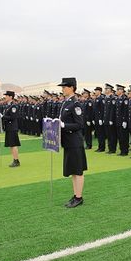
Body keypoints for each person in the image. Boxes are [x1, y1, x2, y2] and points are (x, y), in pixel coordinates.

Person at [58, 77, 87, 208]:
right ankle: (76, 195)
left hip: (75, 142)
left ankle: (79, 197)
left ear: (71, 88)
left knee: (78, 171)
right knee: (73, 171)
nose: (62, 89)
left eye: (64, 87)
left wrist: (64, 125)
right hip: (68, 142)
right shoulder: (66, 103)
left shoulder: (76, 104)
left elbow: (79, 124)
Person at [1, 91, 21, 167]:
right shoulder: (8, 106)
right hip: (9, 128)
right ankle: (14, 159)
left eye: (6, 96)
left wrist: (3, 117)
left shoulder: (13, 107)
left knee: (13, 144)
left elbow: (13, 117)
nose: (5, 97)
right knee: (11, 145)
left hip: (12, 127)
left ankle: (16, 160)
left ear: (11, 97)